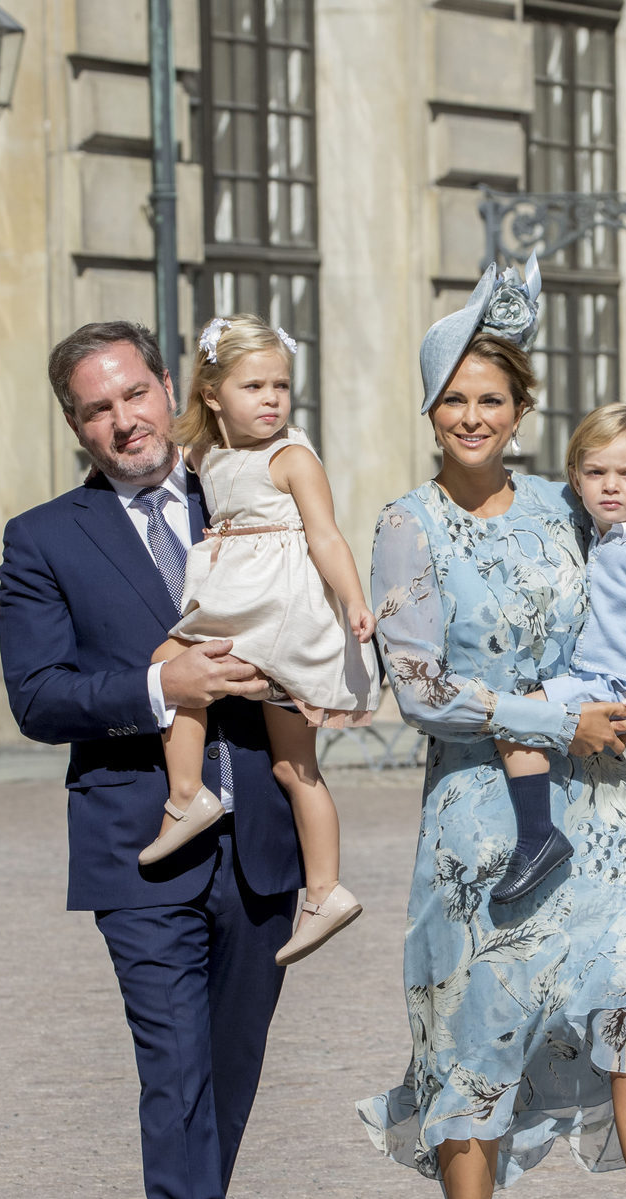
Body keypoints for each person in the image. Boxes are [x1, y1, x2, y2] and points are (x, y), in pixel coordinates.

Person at [357, 261, 626, 1199]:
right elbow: (417, 688)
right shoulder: (405, 525)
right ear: (429, 413)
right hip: (480, 814)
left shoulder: (574, 509)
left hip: (603, 804)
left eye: (492, 398)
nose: (471, 416)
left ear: (520, 413)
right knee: (476, 1039)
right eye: (452, 399)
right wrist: (544, 717)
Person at [0, 320, 304, 1199]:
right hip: (140, 848)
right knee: (173, 1075)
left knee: (224, 1082)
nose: (122, 420)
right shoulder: (42, 539)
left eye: (134, 394)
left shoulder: (246, 490)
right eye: (95, 407)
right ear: (74, 424)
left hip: (263, 832)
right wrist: (156, 690)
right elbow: (36, 697)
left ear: (171, 389)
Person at [138, 313, 381, 967]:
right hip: (248, 602)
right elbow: (156, 451)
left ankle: (188, 795)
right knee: (292, 764)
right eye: (253, 386)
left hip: (274, 610)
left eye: (280, 385)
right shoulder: (204, 453)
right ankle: (325, 890)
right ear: (213, 394)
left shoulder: (291, 456)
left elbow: (325, 536)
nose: (271, 398)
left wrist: (354, 601)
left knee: (172, 662)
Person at [491, 401, 626, 904]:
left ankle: (537, 836)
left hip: (616, 682)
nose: (611, 485)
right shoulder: (609, 538)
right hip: (604, 676)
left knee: (518, 716)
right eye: (596, 472)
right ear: (575, 478)